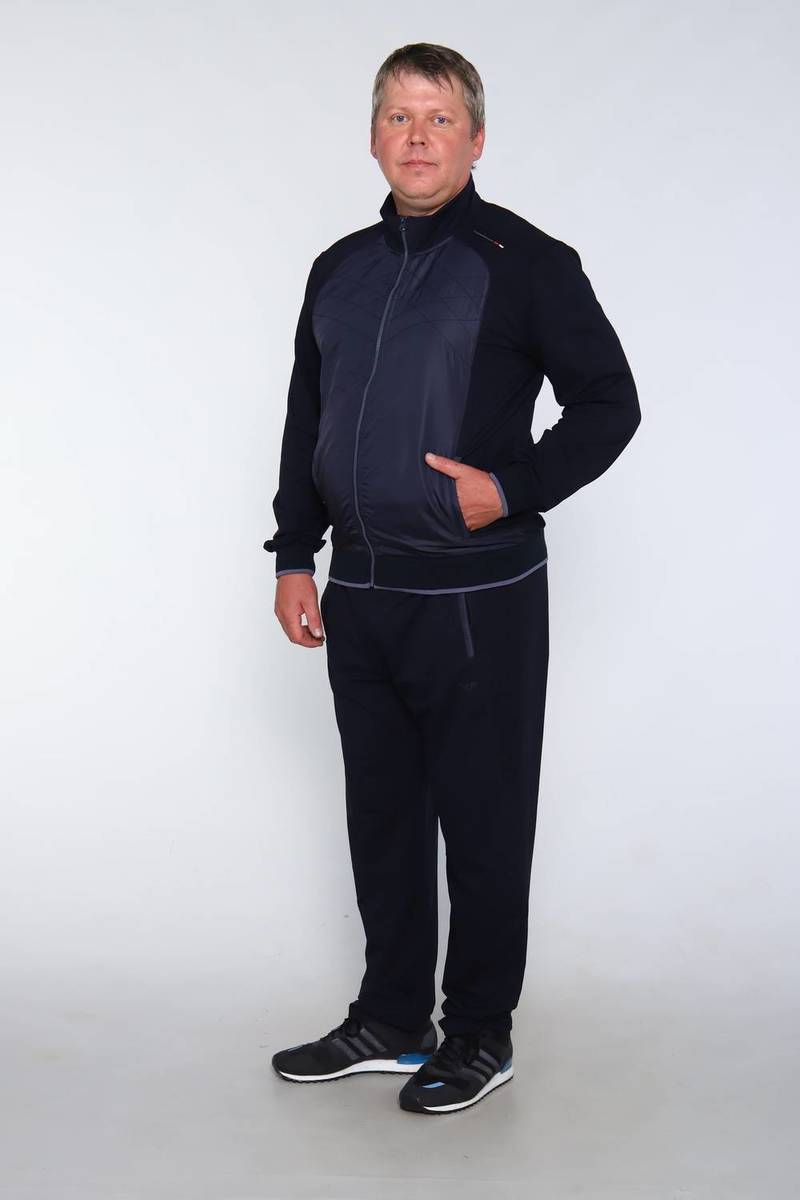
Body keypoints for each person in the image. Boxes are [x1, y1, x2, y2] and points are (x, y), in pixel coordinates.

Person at [264, 42, 640, 1115]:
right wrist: (294, 552)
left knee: (482, 819)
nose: (416, 137)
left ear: (475, 139)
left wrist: (510, 488)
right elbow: (307, 415)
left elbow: (609, 404)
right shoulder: (338, 268)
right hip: (362, 593)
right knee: (381, 814)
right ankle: (393, 1018)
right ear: (372, 138)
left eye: (437, 118)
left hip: (479, 597)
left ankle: (479, 1031)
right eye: (398, 116)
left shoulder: (525, 261)